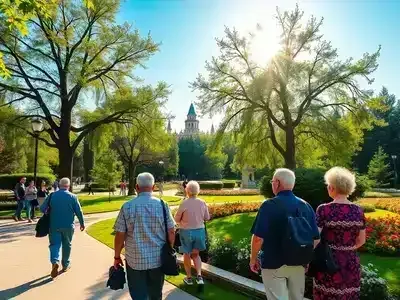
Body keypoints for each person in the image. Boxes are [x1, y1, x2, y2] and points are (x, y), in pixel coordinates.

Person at [250, 168, 319, 300]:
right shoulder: (306, 206)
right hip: (298, 264)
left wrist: (253, 259)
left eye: (272, 181)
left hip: (273, 262)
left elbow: (258, 238)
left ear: (277, 183)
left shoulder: (268, 205)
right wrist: (304, 256)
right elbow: (315, 239)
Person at [113, 172, 175, 300]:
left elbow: (120, 235)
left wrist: (117, 256)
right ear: (153, 187)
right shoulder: (163, 205)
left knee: (138, 296)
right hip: (157, 259)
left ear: (136, 187)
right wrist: (170, 248)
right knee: (156, 295)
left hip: (135, 261)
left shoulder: (127, 206)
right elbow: (171, 231)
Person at [313, 167, 366, 300]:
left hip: (329, 262)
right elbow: (362, 240)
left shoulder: (324, 209)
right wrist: (346, 249)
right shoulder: (358, 211)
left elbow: (315, 238)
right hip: (351, 262)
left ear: (332, 187)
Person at [40, 177, 85, 279]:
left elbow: (42, 209)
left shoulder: (52, 195)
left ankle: (55, 261)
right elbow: (79, 211)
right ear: (68, 186)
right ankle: (65, 265)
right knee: (67, 245)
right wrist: (82, 223)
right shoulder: (73, 197)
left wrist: (49, 211)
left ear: (59, 185)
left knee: (54, 245)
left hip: (54, 225)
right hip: (68, 226)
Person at [174, 180, 210, 286]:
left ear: (187, 190)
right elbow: (207, 217)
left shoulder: (184, 203)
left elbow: (176, 219)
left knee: (186, 254)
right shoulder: (202, 202)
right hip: (199, 232)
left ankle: (189, 278)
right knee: (196, 254)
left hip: (186, 232)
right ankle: (199, 276)